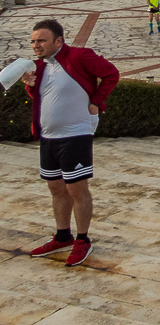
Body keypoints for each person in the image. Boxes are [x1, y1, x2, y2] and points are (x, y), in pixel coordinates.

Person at [22, 19, 119, 267]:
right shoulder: (41, 66)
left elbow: (111, 73)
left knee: (76, 189)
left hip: (75, 133)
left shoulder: (79, 56)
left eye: (41, 40)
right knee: (56, 188)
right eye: (33, 41)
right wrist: (30, 86)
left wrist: (97, 102)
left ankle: (83, 239)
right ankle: (62, 236)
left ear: (58, 41)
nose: (36, 45)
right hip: (49, 136)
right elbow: (45, 97)